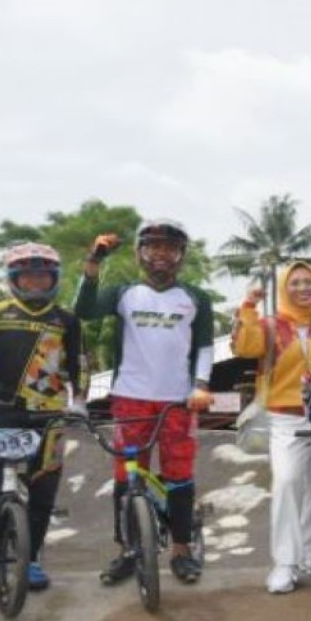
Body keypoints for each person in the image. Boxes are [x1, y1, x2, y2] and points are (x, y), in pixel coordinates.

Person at [74, 218, 214, 586]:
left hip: (178, 403)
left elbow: (204, 347)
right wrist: (94, 261)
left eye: (170, 248)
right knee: (126, 478)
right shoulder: (124, 294)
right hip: (130, 400)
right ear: (140, 254)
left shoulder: (196, 298)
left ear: (180, 256)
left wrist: (200, 385)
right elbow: (84, 310)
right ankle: (127, 550)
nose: (161, 254)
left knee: (179, 477)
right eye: (153, 247)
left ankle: (181, 550)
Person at [0, 243, 85, 604]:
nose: (36, 282)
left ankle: (34, 559)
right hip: (1, 412)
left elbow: (79, 363)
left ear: (54, 279)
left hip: (51, 414)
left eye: (43, 275)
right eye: (27, 275)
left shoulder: (66, 319)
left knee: (43, 491)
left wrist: (81, 402)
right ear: (14, 279)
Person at [230, 261, 311, 594]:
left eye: (309, 282)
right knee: (287, 482)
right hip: (286, 417)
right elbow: (244, 347)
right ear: (285, 288)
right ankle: (285, 563)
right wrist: (248, 306)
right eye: (296, 283)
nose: (303, 288)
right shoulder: (270, 326)